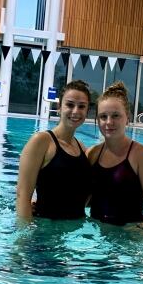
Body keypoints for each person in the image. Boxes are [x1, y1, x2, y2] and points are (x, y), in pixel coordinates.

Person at [87, 81, 143, 228]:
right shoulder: (93, 154)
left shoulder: (142, 155)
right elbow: (83, 198)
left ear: (127, 117)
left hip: (128, 236)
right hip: (95, 236)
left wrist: (142, 231)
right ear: (97, 119)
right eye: (103, 116)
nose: (109, 122)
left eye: (116, 115)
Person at [16, 80, 92, 221]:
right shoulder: (41, 141)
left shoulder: (82, 148)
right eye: (70, 105)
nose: (75, 111)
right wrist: (23, 238)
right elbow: (22, 195)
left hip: (76, 235)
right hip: (44, 234)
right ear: (59, 107)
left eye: (82, 106)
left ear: (87, 111)